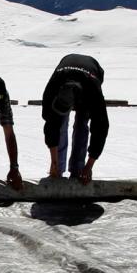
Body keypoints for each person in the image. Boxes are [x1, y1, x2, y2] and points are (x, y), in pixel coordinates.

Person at [41, 54, 109, 185]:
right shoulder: (53, 87)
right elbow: (50, 125)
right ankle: (57, 170)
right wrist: (53, 162)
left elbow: (101, 128)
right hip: (64, 71)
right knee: (59, 124)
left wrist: (89, 166)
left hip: (91, 75)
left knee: (81, 125)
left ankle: (78, 171)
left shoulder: (93, 93)